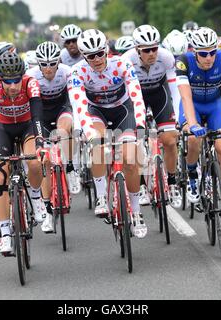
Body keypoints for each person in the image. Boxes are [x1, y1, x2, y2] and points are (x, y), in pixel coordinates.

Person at [69, 29, 148, 238]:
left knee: (131, 159)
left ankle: (137, 212)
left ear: (106, 50)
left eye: (99, 53)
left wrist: (140, 124)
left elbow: (136, 96)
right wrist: (90, 133)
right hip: (96, 113)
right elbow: (79, 106)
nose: (96, 59)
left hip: (124, 110)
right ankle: (102, 196)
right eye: (90, 56)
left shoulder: (121, 64)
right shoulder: (77, 73)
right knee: (98, 148)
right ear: (84, 57)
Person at [0, 51, 48, 254]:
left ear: (23, 76)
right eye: (7, 81)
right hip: (3, 129)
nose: (13, 86)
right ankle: (6, 234)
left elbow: (37, 117)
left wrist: (41, 143)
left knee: (34, 161)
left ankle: (36, 199)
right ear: (0, 78)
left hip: (27, 126)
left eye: (17, 80)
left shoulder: (31, 84)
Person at [176, 27, 221, 229]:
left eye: (212, 52)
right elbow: (185, 96)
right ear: (194, 51)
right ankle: (192, 176)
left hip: (216, 106)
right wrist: (192, 124)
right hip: (192, 105)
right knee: (194, 138)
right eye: (203, 53)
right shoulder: (184, 61)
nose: (209, 57)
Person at [122, 24, 181, 209]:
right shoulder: (126, 60)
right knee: (136, 141)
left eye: (154, 48)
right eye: (146, 50)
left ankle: (172, 182)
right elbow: (125, 94)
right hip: (135, 95)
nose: (151, 53)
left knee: (170, 139)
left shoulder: (166, 57)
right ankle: (140, 186)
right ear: (137, 49)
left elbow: (174, 88)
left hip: (159, 93)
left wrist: (178, 116)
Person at [27, 41, 81, 233]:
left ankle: (72, 168)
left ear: (58, 61)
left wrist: (80, 122)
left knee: (65, 130)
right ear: (38, 64)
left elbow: (76, 98)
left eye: (52, 63)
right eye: (44, 64)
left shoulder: (67, 71)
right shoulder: (31, 77)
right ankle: (48, 211)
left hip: (62, 108)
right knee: (45, 162)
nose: (48, 68)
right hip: (41, 115)